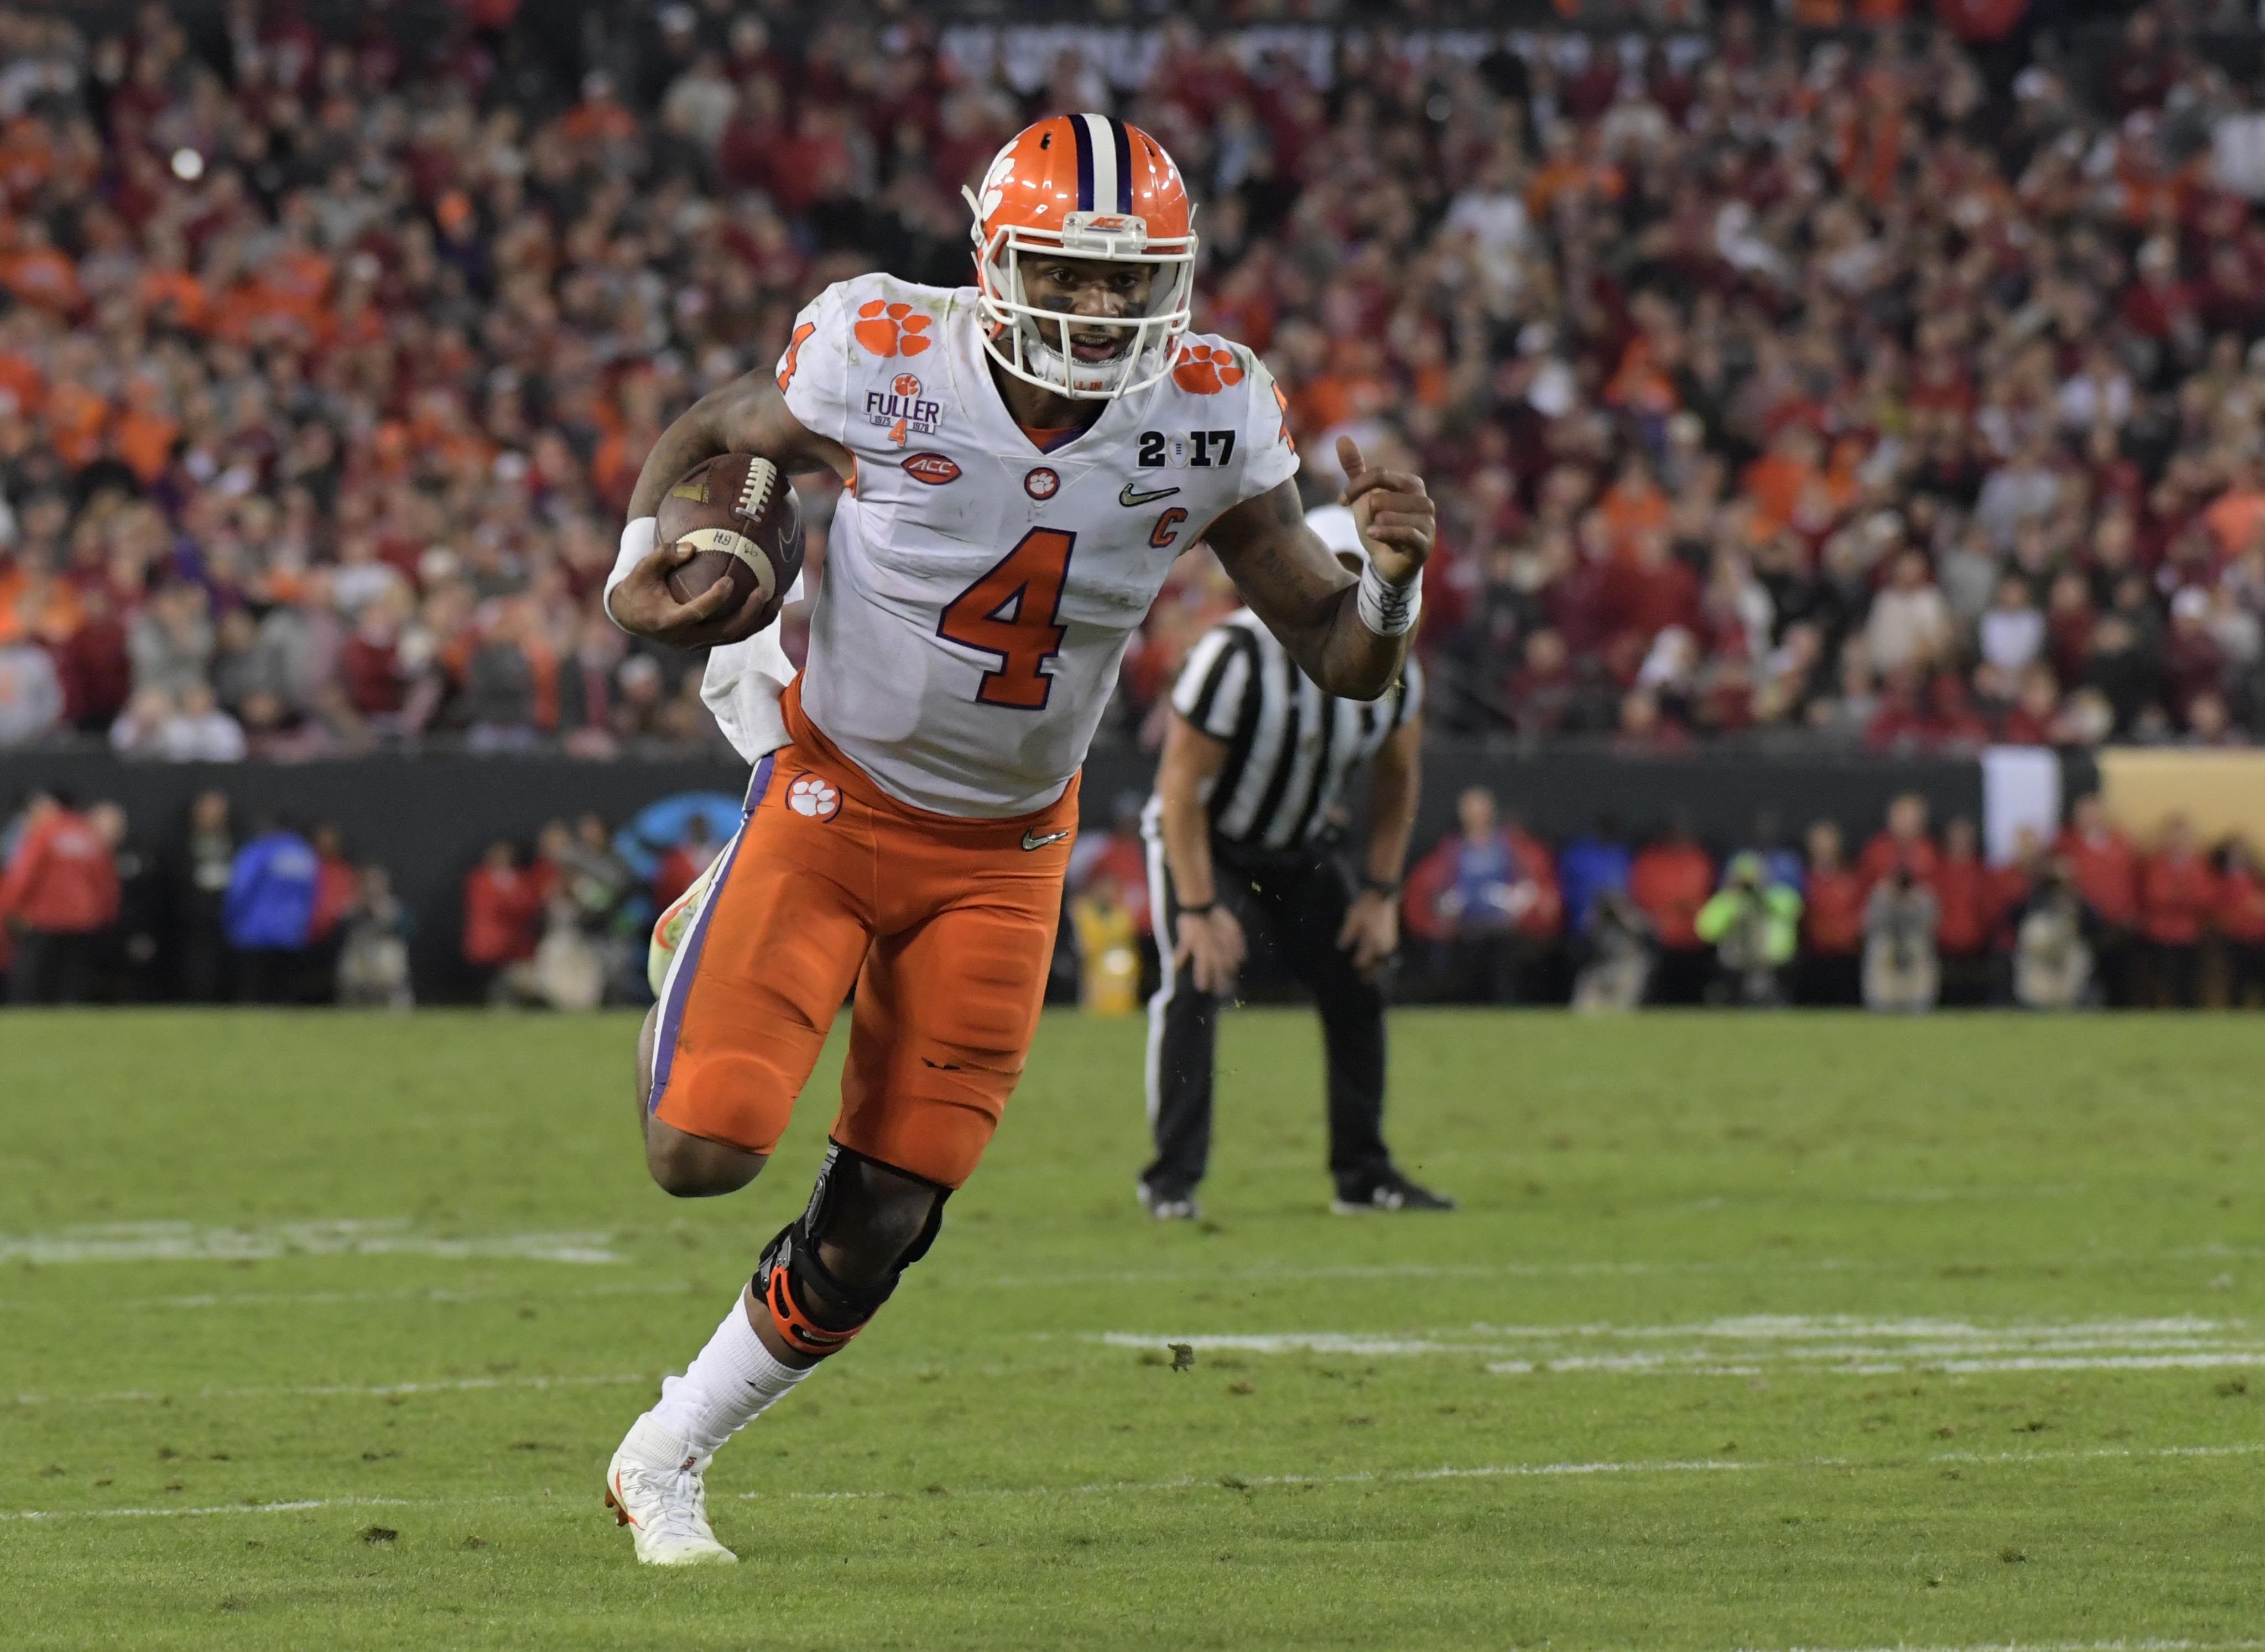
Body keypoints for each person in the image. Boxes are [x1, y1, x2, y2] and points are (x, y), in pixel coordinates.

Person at [597, 113, 1436, 1565]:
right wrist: (637, 563)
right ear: (995, 262)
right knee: (698, 1148)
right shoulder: (882, 346)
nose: (1099, 305)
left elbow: (1334, 651)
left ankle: (666, 1450)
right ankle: (711, 912)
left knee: (886, 1213)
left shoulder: (1211, 408)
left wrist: (1391, 592)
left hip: (1005, 851)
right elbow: (718, 434)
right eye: (1066, 270)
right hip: (832, 795)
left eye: (1129, 279)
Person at [1141, 503, 1444, 1221]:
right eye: (1335, 576)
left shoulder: (1394, 669)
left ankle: (1363, 1175)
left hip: (1300, 845)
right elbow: (1179, 792)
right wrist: (1199, 906)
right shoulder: (1232, 656)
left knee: (1358, 973)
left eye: (1361, 579)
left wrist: (1379, 892)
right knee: (1196, 976)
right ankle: (1171, 1179)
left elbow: (1398, 781)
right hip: (1207, 841)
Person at [1404, 786, 1561, 1005]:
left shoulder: (1509, 847)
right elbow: (1430, 889)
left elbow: (1534, 882)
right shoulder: (1452, 850)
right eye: (1469, 811)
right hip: (1464, 929)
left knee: (1504, 972)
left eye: (1479, 810)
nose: (1475, 816)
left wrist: (1520, 899)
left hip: (1504, 927)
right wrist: (1445, 903)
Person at [0, 790, 120, 1003]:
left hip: (44, 918)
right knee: (72, 980)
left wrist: (12, 909)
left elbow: (25, 875)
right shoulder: (87, 833)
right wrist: (105, 915)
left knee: (34, 978)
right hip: (84, 920)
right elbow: (106, 881)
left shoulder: (45, 832)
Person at [223, 817, 320, 1004]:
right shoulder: (304, 854)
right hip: (291, 934)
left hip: (255, 932)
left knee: (253, 992)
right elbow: (312, 895)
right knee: (284, 992)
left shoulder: (260, 850)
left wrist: (232, 922)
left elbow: (240, 889)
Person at [1695, 851, 1802, 1007]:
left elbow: (1793, 910)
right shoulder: (1727, 900)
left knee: (1768, 993)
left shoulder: (1778, 896)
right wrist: (1734, 902)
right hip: (1735, 963)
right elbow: (1706, 930)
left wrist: (1762, 895)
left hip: (1770, 963)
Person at [2138, 815, 2215, 1008]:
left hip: (2190, 935)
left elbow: (2205, 897)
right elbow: (2155, 896)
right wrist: (2182, 896)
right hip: (2161, 934)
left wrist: (2178, 896)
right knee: (2162, 982)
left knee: (2189, 984)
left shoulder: (2198, 866)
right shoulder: (2157, 864)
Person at [2013, 859, 2095, 1010]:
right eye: (2056, 884)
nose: (2059, 890)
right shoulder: (2034, 901)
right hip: (2039, 963)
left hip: (2065, 963)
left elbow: (2095, 923)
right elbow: (2012, 917)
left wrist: (2075, 905)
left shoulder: (2077, 903)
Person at [1799, 820, 1865, 1005]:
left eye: (1828, 841)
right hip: (1814, 957)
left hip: (1846, 957)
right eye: (1819, 842)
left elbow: (1859, 911)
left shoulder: (1849, 879)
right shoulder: (1804, 880)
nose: (1824, 847)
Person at [1863, 865, 1941, 1013]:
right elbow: (1871, 924)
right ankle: (1882, 1005)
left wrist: (1911, 906)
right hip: (1887, 944)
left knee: (1920, 957)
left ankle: (1918, 1004)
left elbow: (1931, 924)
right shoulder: (1881, 895)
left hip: (1913, 944)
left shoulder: (1922, 897)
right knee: (1880, 955)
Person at [337, 864, 414, 1010]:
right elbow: (339, 933)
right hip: (360, 963)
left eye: (376, 883)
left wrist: (387, 916)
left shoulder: (393, 907)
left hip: (386, 965)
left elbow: (409, 931)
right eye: (368, 883)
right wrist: (357, 911)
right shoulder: (351, 907)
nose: (372, 888)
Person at [1570, 887, 1652, 1012]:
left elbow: (1649, 937)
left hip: (1628, 969)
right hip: (1602, 969)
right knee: (1584, 1007)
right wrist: (1597, 919)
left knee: (1621, 1009)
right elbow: (1584, 945)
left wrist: (1622, 915)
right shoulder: (1598, 924)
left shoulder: (1631, 920)